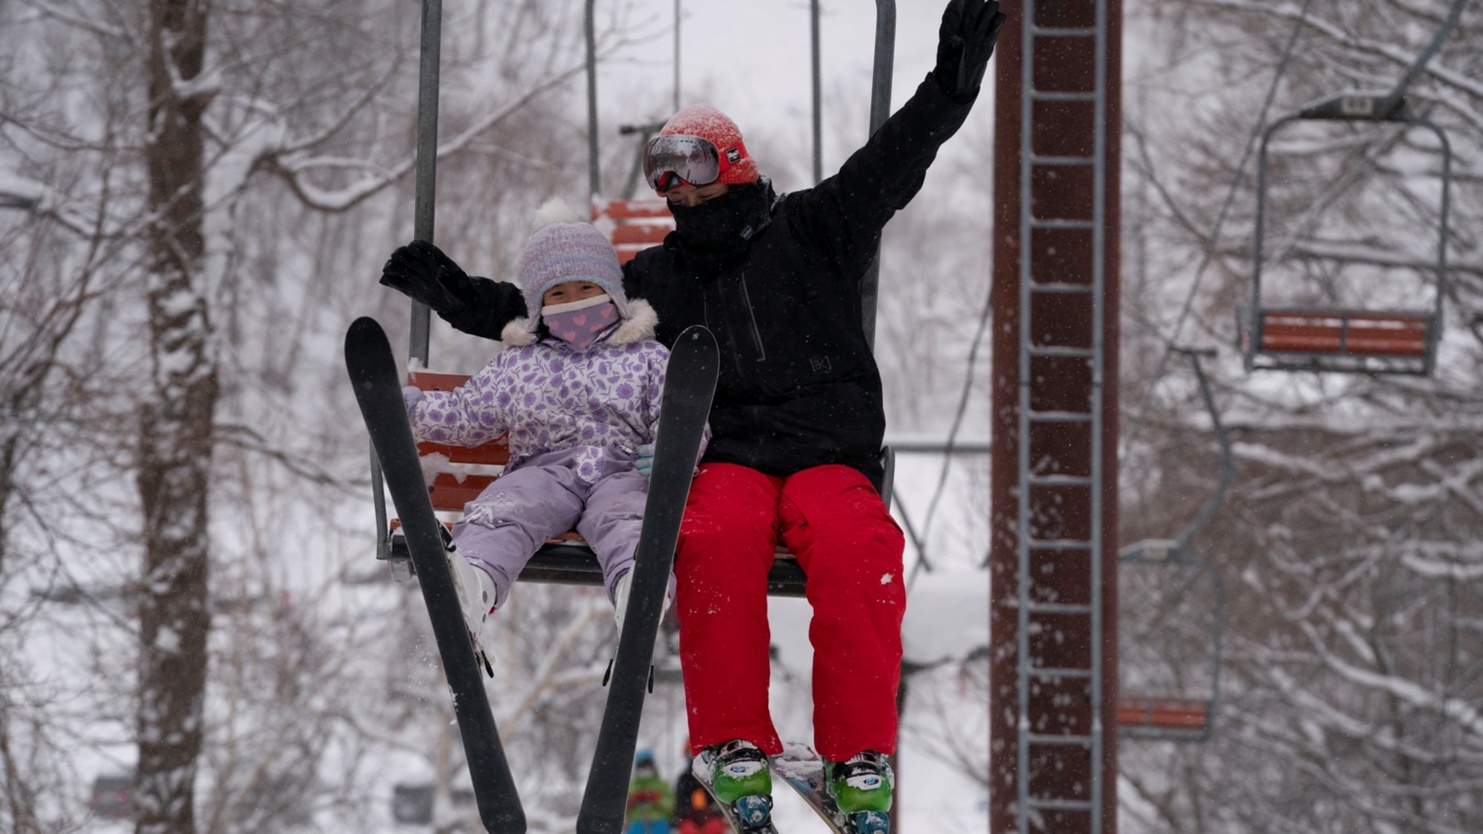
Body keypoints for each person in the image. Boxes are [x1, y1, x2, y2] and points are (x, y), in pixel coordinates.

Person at [379, 2, 1006, 830]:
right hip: (727, 458)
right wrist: (457, 295)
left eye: (690, 162)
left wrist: (948, 90)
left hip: (829, 452)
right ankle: (733, 742)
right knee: (710, 537)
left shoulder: (817, 229)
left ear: (733, 160)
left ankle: (859, 754)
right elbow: (564, 306)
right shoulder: (658, 280)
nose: (674, 184)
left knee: (858, 546)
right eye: (660, 171)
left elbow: (891, 163)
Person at [399, 198, 687, 655]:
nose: (575, 304)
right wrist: (411, 412)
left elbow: (682, 416)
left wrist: (674, 452)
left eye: (586, 288)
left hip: (623, 470)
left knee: (627, 516)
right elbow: (470, 414)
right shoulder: (519, 363)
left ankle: (640, 587)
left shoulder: (647, 356)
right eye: (557, 295)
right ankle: (474, 580)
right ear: (536, 305)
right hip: (543, 469)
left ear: (612, 291)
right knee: (508, 507)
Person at [625, 748, 676, 834]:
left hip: (659, 821)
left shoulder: (661, 784)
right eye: (642, 765)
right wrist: (632, 801)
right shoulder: (633, 786)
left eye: (647, 765)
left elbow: (671, 806)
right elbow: (624, 808)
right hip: (637, 822)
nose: (645, 768)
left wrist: (657, 799)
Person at [672, 754, 727, 834]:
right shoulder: (684, 779)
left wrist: (710, 810)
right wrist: (689, 812)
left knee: (715, 827)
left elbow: (718, 801)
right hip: (690, 818)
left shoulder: (712, 777)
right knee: (688, 829)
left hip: (711, 817)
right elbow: (680, 802)